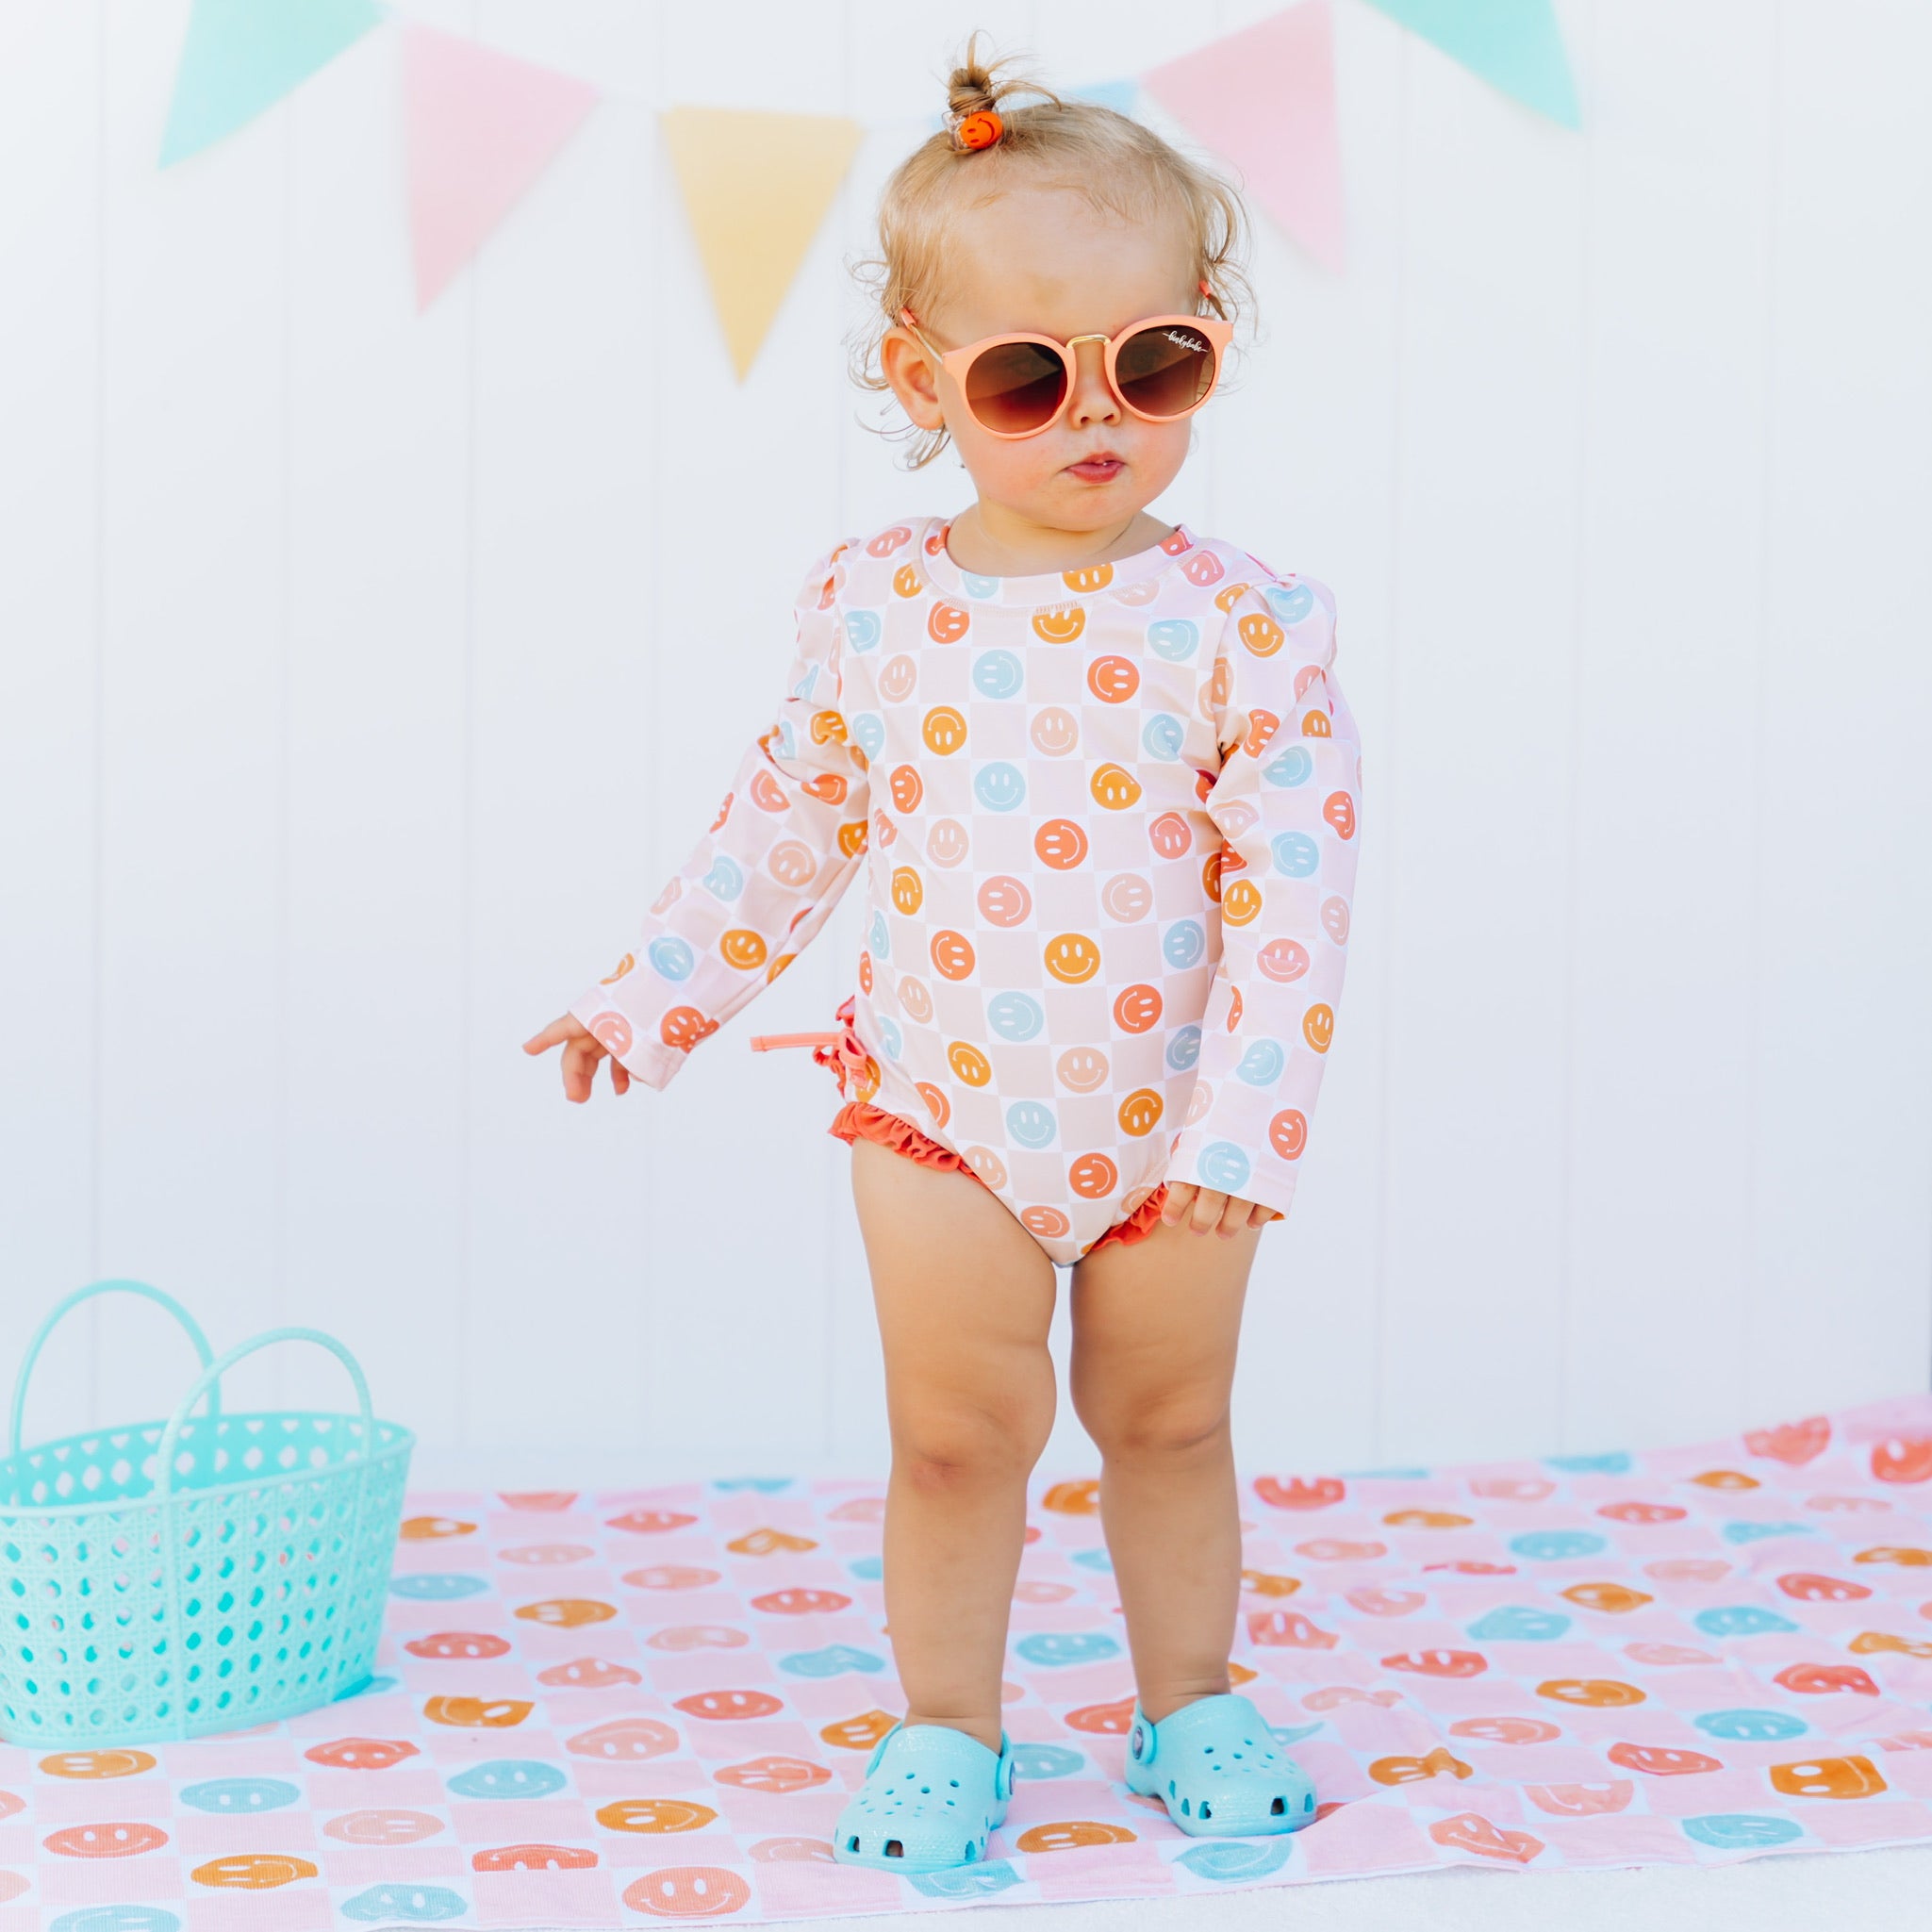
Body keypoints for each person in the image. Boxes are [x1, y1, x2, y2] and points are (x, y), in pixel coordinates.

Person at [525, 34, 1362, 1876]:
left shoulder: (1245, 626)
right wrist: (651, 996)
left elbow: (1293, 898)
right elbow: (787, 822)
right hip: (939, 1108)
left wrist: (1244, 1125)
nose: (1095, 414)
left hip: (1177, 1119)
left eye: (1155, 362)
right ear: (921, 379)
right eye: (1024, 376)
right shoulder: (876, 606)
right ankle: (948, 1723)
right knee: (957, 1437)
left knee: (1167, 1419)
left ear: (1208, 339)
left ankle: (1188, 1692)